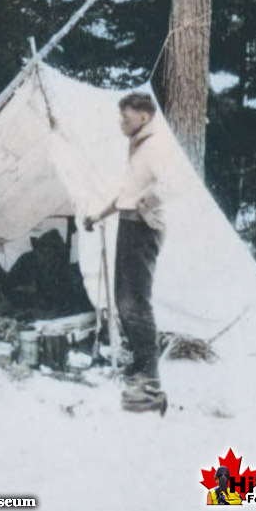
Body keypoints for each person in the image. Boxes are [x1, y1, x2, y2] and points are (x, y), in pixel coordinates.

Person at [84, 92, 168, 414]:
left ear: (143, 117)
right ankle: (139, 363)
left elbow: (171, 184)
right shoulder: (138, 145)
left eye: (126, 117)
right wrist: (100, 214)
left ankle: (150, 374)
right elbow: (127, 191)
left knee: (136, 300)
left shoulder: (158, 145)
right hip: (129, 225)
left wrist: (145, 209)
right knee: (124, 300)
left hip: (143, 229)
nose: (121, 123)